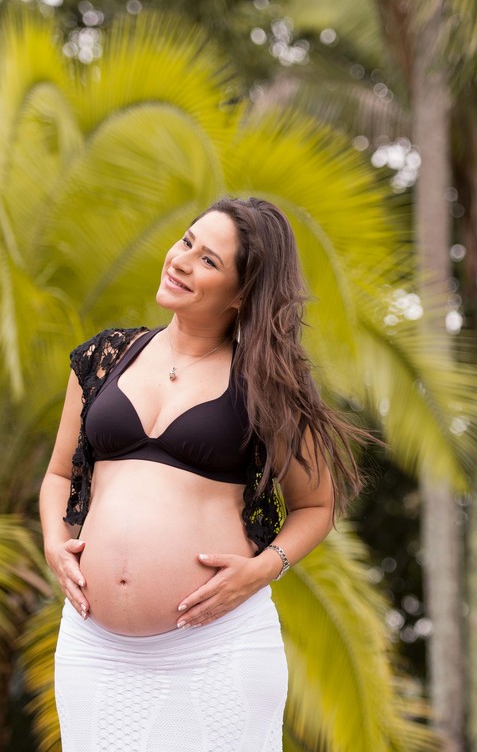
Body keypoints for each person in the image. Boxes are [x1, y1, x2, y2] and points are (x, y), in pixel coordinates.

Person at [38, 197, 367, 751]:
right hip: (95, 647)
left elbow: (317, 506)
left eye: (209, 260)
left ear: (242, 294)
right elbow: (57, 475)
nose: (182, 260)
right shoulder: (104, 357)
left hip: (215, 646)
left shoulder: (269, 381)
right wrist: (54, 543)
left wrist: (264, 569)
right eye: (187, 241)